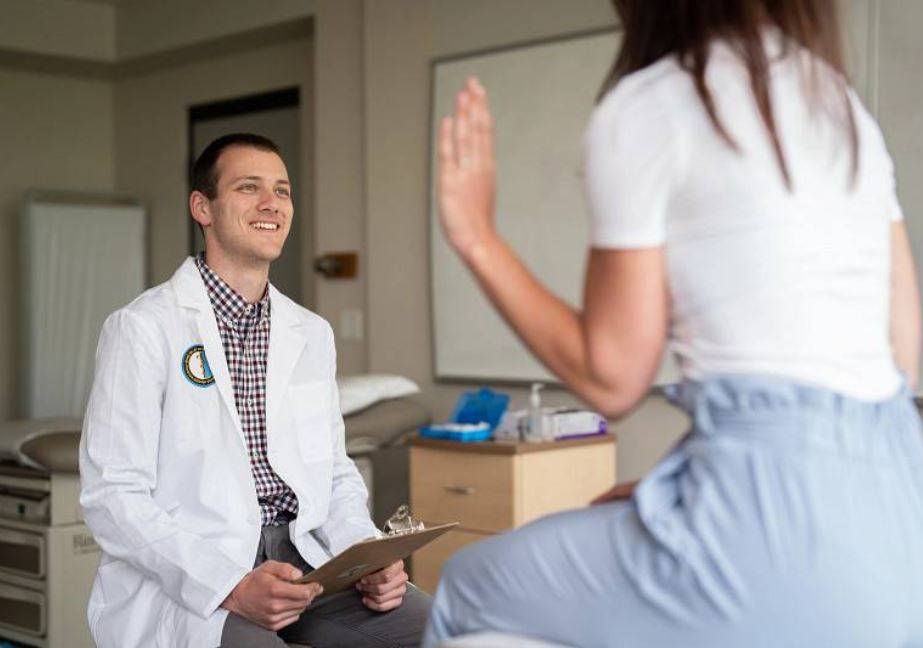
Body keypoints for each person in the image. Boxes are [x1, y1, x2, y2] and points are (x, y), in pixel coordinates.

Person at [424, 0, 923, 646]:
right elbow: (902, 351)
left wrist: (474, 234)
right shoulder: (838, 103)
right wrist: (674, 486)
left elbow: (612, 378)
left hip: (770, 535)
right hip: (899, 518)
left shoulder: (652, 104)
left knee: (467, 584)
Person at [79, 133, 431, 648]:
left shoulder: (310, 332)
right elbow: (113, 496)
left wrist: (367, 554)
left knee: (442, 631)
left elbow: (333, 470)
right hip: (200, 575)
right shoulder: (143, 328)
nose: (272, 204)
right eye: (249, 187)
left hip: (308, 569)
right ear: (203, 207)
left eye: (283, 191)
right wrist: (231, 585)